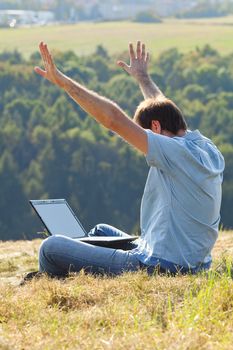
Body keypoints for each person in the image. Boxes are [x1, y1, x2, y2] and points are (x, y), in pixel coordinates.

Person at [34, 41, 224, 278]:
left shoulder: (172, 151)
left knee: (51, 248)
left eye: (142, 133)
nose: (140, 144)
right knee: (101, 231)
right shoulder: (204, 146)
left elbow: (113, 119)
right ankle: (81, 266)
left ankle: (58, 284)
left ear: (155, 127)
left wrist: (64, 83)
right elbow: (162, 106)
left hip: (161, 266)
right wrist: (143, 78)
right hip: (192, 261)